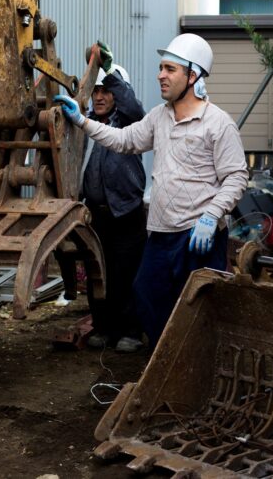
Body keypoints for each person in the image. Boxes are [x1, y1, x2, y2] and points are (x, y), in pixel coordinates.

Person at [55, 33, 248, 349]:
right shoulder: (160, 118)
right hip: (160, 233)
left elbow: (237, 177)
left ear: (193, 74)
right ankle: (167, 362)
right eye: (161, 68)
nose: (161, 75)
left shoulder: (218, 123)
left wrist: (212, 216)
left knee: (200, 307)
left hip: (198, 234)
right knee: (147, 296)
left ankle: (198, 367)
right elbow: (124, 140)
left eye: (170, 69)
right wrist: (82, 122)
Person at [81, 42, 148, 353]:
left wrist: (109, 71)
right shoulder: (85, 125)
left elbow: (134, 107)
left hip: (126, 214)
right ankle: (104, 328)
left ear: (119, 94)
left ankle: (131, 331)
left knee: (127, 274)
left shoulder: (131, 124)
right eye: (96, 91)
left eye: (106, 91)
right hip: (95, 215)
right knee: (98, 273)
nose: (99, 96)